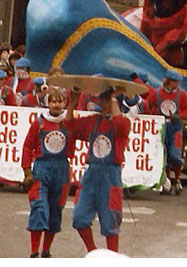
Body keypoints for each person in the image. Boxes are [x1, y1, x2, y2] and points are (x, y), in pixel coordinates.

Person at [67, 86, 131, 253]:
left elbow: (118, 125)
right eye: (102, 99)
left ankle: (112, 258)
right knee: (79, 218)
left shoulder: (124, 123)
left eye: (106, 100)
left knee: (111, 222)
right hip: (91, 175)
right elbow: (69, 126)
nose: (102, 103)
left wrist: (114, 98)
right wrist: (73, 102)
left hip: (111, 177)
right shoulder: (94, 121)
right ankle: (93, 252)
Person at [22, 87, 76, 258]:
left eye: (60, 101)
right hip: (41, 168)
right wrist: (27, 171)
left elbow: (72, 148)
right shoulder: (39, 123)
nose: (56, 105)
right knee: (39, 208)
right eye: (53, 101)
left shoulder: (68, 123)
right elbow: (27, 146)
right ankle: (33, 252)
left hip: (61, 169)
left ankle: (46, 251)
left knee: (55, 209)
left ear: (64, 103)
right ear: (47, 103)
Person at [153, 69, 187, 195]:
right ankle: (167, 181)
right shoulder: (157, 93)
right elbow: (148, 105)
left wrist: (180, 116)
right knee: (163, 154)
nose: (178, 84)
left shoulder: (182, 94)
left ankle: (178, 180)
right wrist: (154, 117)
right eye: (176, 81)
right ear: (169, 81)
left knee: (175, 153)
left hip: (175, 128)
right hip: (162, 127)